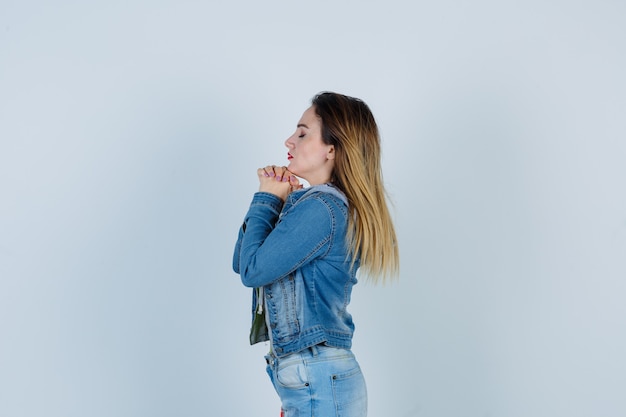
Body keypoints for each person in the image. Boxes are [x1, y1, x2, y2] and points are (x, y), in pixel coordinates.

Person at [232, 92, 399, 417]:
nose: (289, 141)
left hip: (317, 377)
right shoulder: (313, 205)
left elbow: (253, 270)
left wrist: (265, 199)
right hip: (313, 378)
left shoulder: (323, 208)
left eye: (303, 133)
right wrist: (273, 202)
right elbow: (242, 263)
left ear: (332, 149)